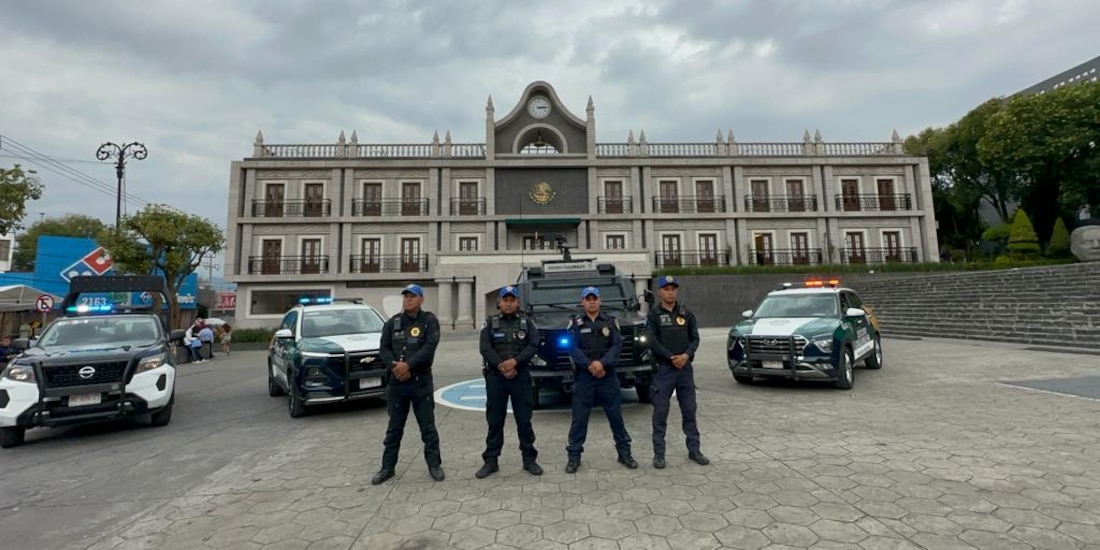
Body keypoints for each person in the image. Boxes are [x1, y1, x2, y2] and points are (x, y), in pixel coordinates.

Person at [372, 283, 444, 485]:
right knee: (394, 428)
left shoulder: (429, 321)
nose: (408, 299)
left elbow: (429, 348)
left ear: (421, 299)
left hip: (421, 381)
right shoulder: (393, 322)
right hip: (397, 383)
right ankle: (387, 467)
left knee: (427, 427)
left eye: (413, 296)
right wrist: (395, 367)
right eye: (406, 296)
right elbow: (384, 348)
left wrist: (408, 366)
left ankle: (434, 465)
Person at [564, 286, 637, 473]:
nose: (591, 301)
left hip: (607, 377)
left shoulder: (611, 322)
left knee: (616, 418)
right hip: (584, 378)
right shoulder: (575, 323)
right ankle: (574, 456)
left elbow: (617, 346)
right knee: (579, 420)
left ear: (600, 300)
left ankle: (624, 453)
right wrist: (590, 365)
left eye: (594, 298)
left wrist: (602, 364)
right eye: (587, 299)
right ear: (582, 302)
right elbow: (572, 348)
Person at [476, 285, 542, 478]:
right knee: (495, 421)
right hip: (497, 378)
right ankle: (491, 461)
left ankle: (529, 460)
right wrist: (502, 366)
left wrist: (515, 362)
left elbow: (533, 346)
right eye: (505, 300)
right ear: (499, 302)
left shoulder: (527, 322)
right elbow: (484, 347)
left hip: (520, 377)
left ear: (517, 302)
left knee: (524, 420)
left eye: (512, 300)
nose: (509, 303)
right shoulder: (490, 323)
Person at [646, 275, 709, 469]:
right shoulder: (654, 315)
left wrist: (686, 356)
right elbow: (651, 340)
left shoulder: (686, 313)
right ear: (659, 292)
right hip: (664, 370)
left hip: (684, 370)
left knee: (689, 410)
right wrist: (671, 357)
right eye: (666, 289)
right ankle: (659, 454)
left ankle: (694, 449)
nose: (670, 292)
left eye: (673, 288)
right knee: (660, 412)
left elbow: (695, 339)